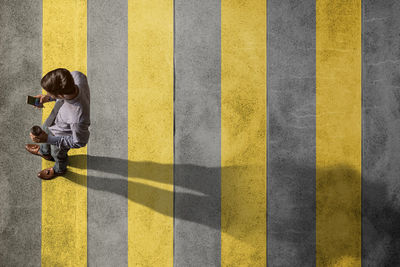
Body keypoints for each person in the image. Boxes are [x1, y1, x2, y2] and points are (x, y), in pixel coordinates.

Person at [25, 68, 90, 179]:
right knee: (45, 128)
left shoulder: (77, 118)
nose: (46, 94)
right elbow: (65, 93)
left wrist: (49, 139)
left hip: (61, 135)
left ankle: (60, 169)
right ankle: (45, 152)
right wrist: (49, 98)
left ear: (60, 95)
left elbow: (79, 142)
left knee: (58, 154)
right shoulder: (76, 76)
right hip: (54, 120)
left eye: (49, 93)